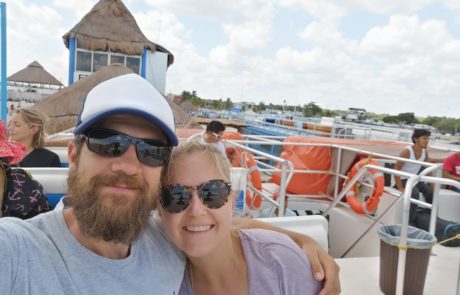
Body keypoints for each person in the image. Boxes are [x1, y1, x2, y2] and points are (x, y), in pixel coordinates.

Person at [0, 73, 340, 294]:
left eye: (151, 150)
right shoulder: (20, 253)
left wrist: (301, 242)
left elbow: (211, 219)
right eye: (108, 142)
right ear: (73, 154)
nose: (128, 165)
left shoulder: (162, 237)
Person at [158, 141, 322, 294]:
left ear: (232, 200)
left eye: (213, 192)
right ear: (159, 209)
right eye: (176, 196)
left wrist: (303, 240)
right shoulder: (163, 281)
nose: (196, 210)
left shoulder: (282, 263)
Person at [394, 128, 438, 224]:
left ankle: (430, 219)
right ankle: (408, 223)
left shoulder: (425, 152)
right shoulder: (406, 152)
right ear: (416, 139)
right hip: (404, 180)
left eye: (428, 139)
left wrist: (432, 184)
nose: (427, 141)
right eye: (424, 138)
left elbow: (428, 169)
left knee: (431, 193)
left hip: (415, 179)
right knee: (415, 193)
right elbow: (396, 169)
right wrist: (400, 187)